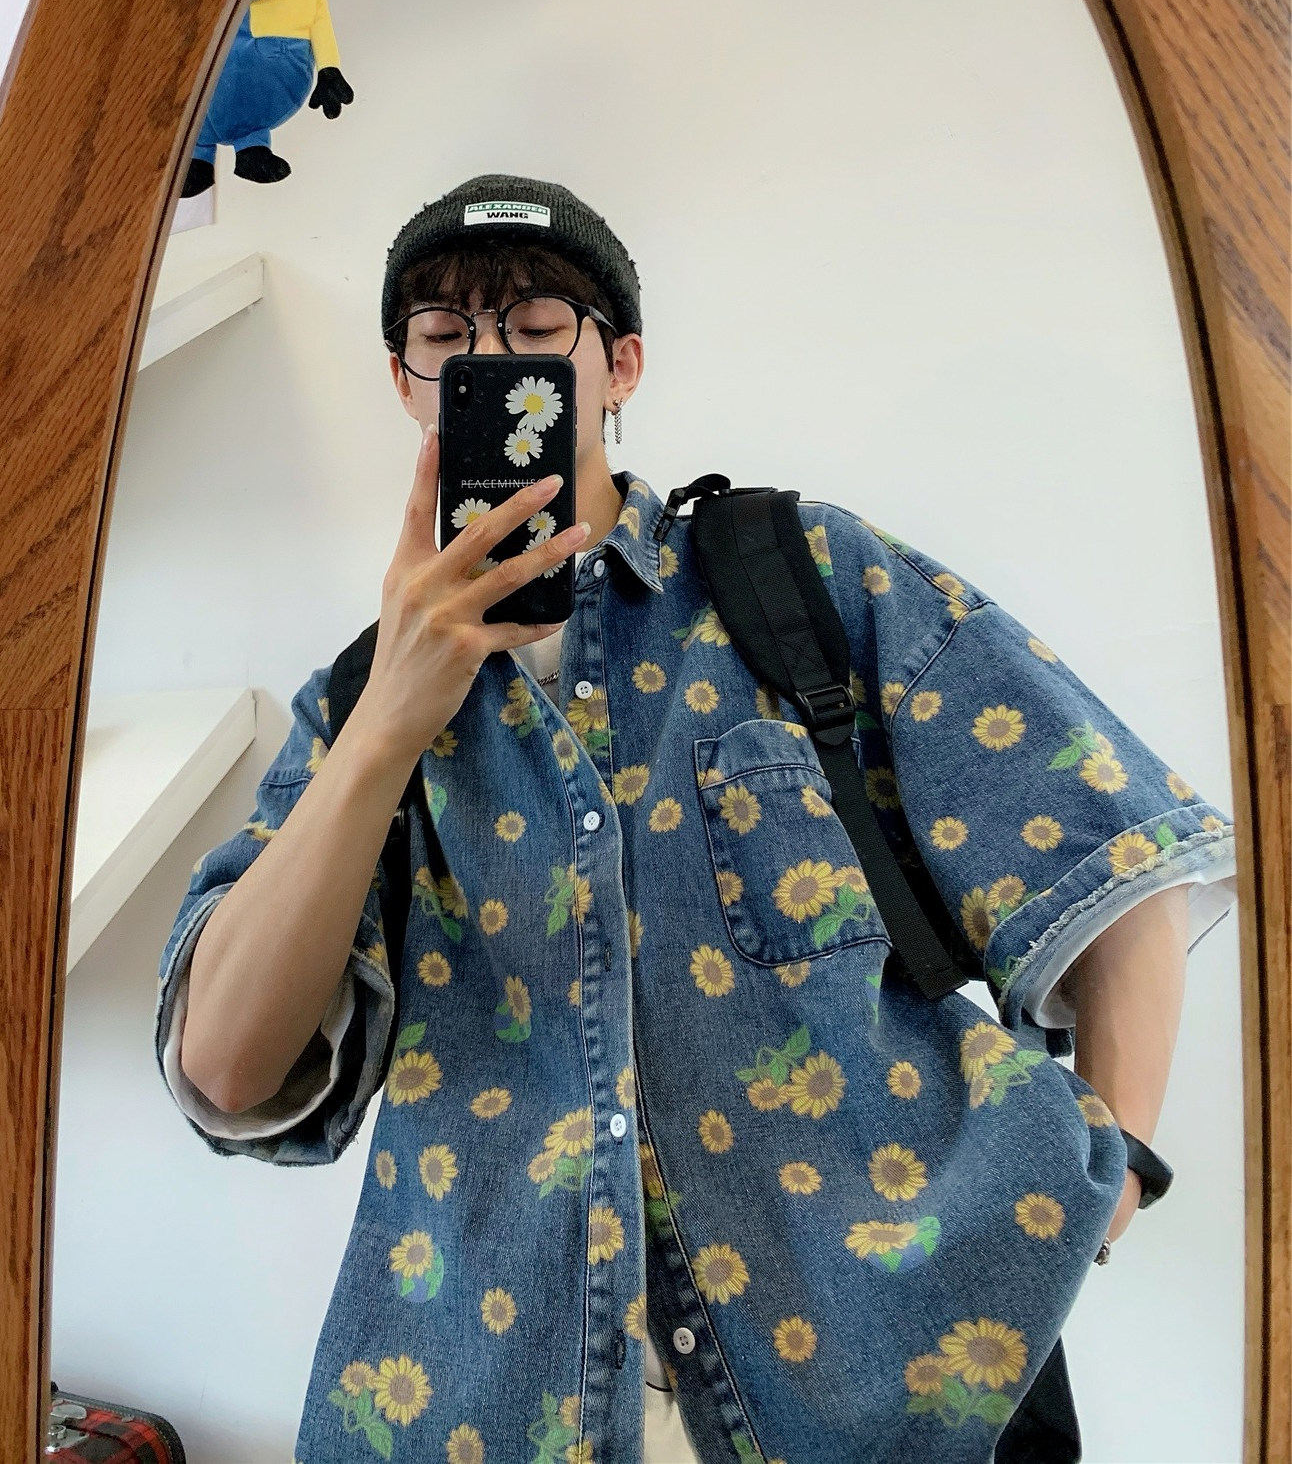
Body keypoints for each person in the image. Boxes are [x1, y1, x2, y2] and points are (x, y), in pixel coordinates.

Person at [154, 173, 1238, 1464]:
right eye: (446, 338)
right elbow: (225, 1069)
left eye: (535, 329)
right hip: (491, 1410)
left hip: (877, 1400)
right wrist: (390, 720)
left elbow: (1114, 845)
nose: (489, 362)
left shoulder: (794, 578)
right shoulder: (357, 704)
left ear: (619, 366)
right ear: (406, 385)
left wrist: (1113, 1176)